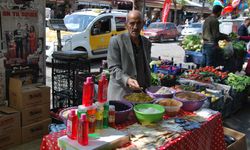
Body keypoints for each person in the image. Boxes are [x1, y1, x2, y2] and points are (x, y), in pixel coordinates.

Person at [107, 10, 152, 100]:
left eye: (138, 23)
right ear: (126, 25)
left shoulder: (147, 43)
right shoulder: (116, 41)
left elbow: (146, 67)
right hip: (120, 94)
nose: (135, 27)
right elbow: (113, 68)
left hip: (140, 94)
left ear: (143, 24)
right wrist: (127, 80)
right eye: (132, 23)